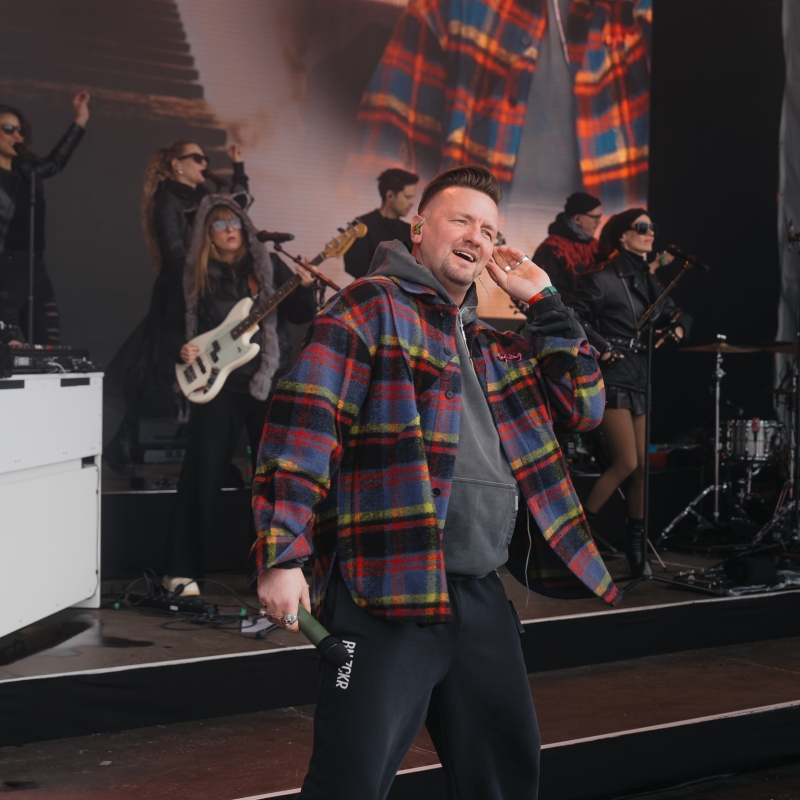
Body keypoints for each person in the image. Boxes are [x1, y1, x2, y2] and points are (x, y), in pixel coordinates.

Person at [251, 165, 618, 798]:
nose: (477, 236)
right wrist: (282, 555)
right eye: (461, 220)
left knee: (504, 780)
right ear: (418, 228)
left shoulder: (493, 344)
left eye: (490, 229)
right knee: (348, 784)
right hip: (386, 590)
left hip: (479, 593)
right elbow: (304, 429)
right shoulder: (370, 305)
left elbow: (583, 405)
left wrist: (544, 303)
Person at [161, 196, 317, 595]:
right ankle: (180, 570)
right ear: (207, 233)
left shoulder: (269, 267)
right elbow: (167, 325)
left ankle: (273, 573)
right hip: (217, 386)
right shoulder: (190, 273)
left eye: (235, 222)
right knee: (202, 475)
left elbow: (300, 315)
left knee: (273, 481)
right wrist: (181, 347)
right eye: (219, 224)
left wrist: (306, 287)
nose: (229, 230)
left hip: (267, 380)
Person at [355, 0, 651, 209]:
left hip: (603, 265)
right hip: (474, 266)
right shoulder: (448, 9)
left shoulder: (641, 20)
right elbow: (376, 180)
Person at [105, 140, 250, 476]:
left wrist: (238, 167)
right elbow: (173, 250)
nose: (204, 164)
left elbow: (238, 207)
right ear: (177, 164)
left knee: (209, 361)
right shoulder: (168, 200)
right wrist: (198, 275)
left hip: (206, 289)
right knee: (161, 366)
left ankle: (205, 451)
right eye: (198, 158)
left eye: (205, 158)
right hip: (180, 291)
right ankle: (123, 439)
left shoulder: (206, 197)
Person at [569, 208, 692, 574]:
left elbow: (677, 313)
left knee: (640, 472)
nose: (650, 232)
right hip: (611, 375)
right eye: (642, 227)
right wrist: (602, 346)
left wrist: (679, 328)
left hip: (638, 374)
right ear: (622, 235)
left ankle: (637, 555)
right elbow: (573, 316)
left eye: (653, 227)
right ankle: (574, 540)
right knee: (626, 462)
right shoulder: (602, 276)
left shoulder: (647, 278)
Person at [0, 92, 90, 344]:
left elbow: (55, 162)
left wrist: (80, 119)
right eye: (8, 129)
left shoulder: (27, 170)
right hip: (5, 266)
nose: (17, 135)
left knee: (48, 343)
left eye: (19, 130)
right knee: (6, 343)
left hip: (34, 265)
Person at [343, 167, 419, 279]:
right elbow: (353, 265)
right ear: (390, 195)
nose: (412, 203)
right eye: (407, 197)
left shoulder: (410, 230)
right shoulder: (361, 225)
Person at [533, 191, 602, 296]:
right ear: (577, 219)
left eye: (599, 217)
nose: (598, 222)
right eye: (595, 217)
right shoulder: (552, 249)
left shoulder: (596, 246)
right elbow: (541, 292)